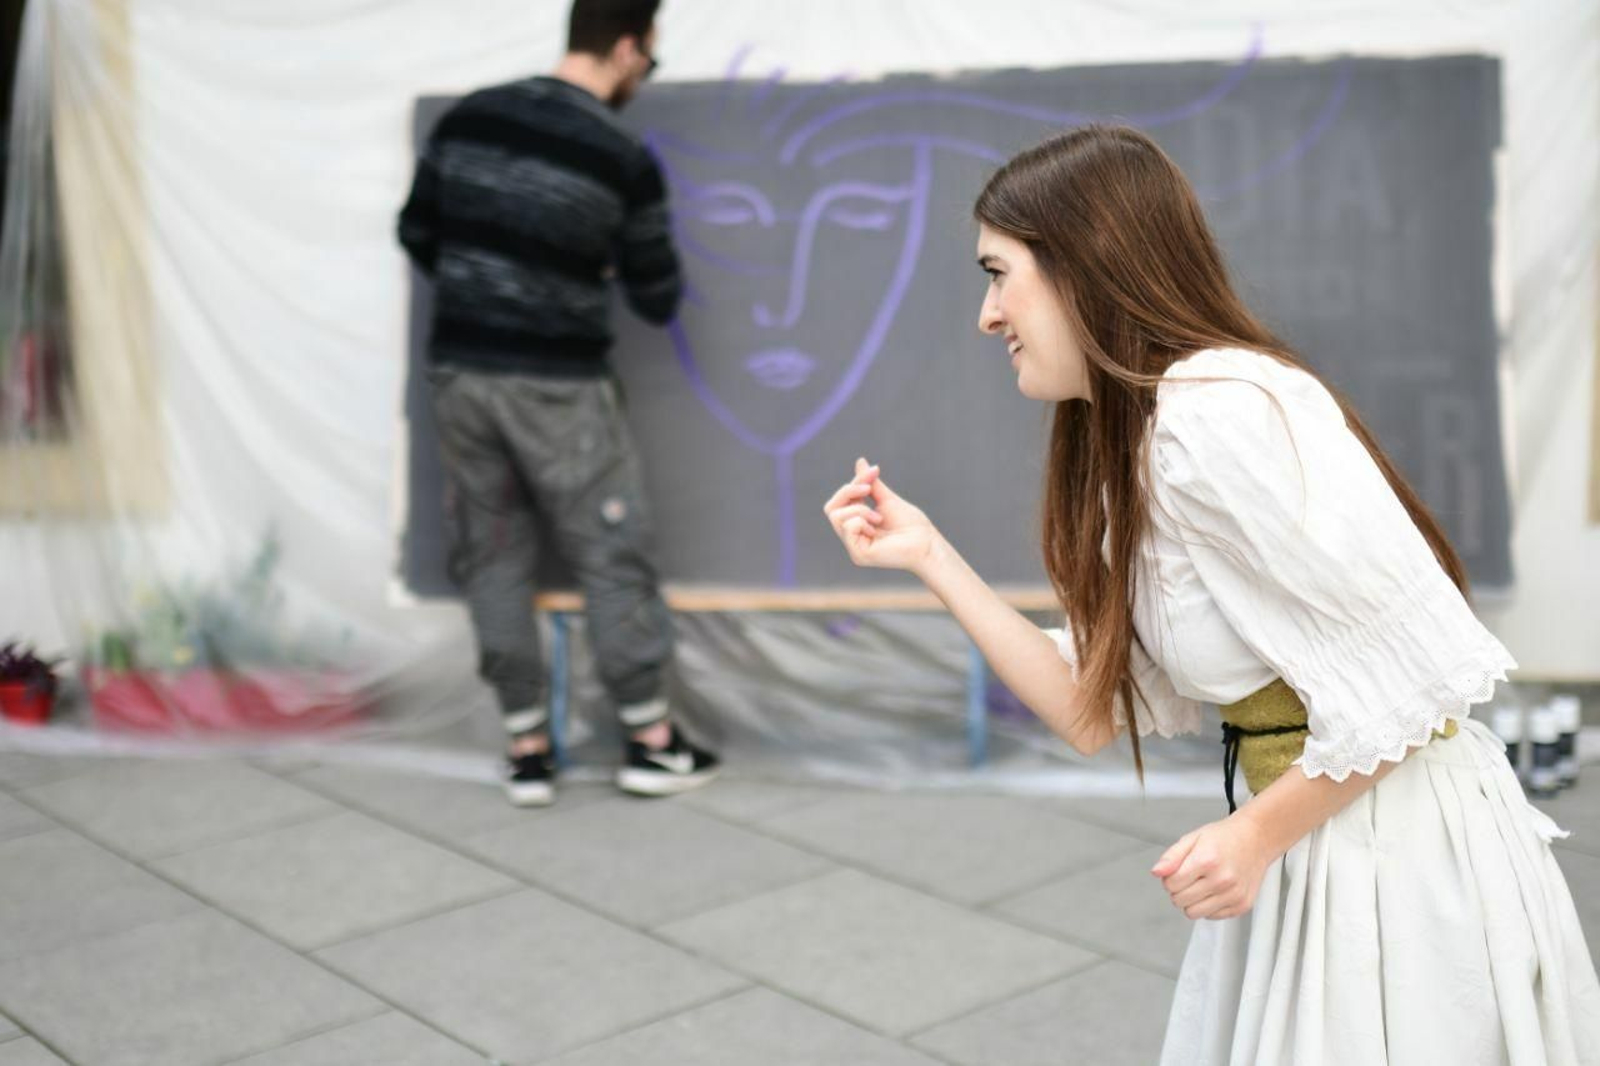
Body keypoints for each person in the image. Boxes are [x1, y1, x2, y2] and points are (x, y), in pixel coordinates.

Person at [823, 125, 1600, 1063]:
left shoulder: (1214, 412)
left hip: (1396, 862)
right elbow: (1090, 708)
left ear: (1082, 266)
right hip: (1315, 850)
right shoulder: (1144, 439)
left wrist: (1253, 836)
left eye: (999, 273)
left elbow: (1426, 669)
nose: (988, 315)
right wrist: (930, 555)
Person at [397, 0, 717, 806]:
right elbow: (658, 295)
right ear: (624, 46)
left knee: (491, 553)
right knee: (612, 549)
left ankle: (527, 749)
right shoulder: (619, 156)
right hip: (560, 387)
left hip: (461, 378)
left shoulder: (470, 120)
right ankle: (649, 741)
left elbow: (416, 235)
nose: (645, 74)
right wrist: (587, 274)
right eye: (649, 58)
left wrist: (491, 281)